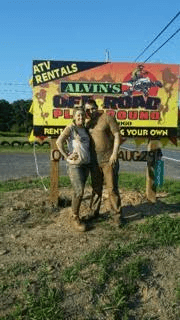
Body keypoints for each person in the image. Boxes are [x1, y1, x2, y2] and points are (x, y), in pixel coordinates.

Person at [84, 99, 123, 226]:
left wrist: (114, 154)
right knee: (96, 188)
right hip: (94, 161)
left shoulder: (107, 118)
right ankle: (93, 212)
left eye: (92, 108)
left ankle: (116, 215)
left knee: (112, 189)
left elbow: (117, 135)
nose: (90, 111)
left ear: (97, 107)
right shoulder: (87, 123)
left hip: (108, 160)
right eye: (88, 110)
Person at [56, 107, 90, 232]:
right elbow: (59, 142)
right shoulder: (70, 128)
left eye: (82, 115)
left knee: (79, 192)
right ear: (74, 117)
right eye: (78, 116)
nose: (81, 117)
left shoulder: (85, 129)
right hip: (75, 165)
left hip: (86, 164)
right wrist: (66, 156)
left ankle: (76, 213)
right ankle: (74, 217)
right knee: (79, 191)